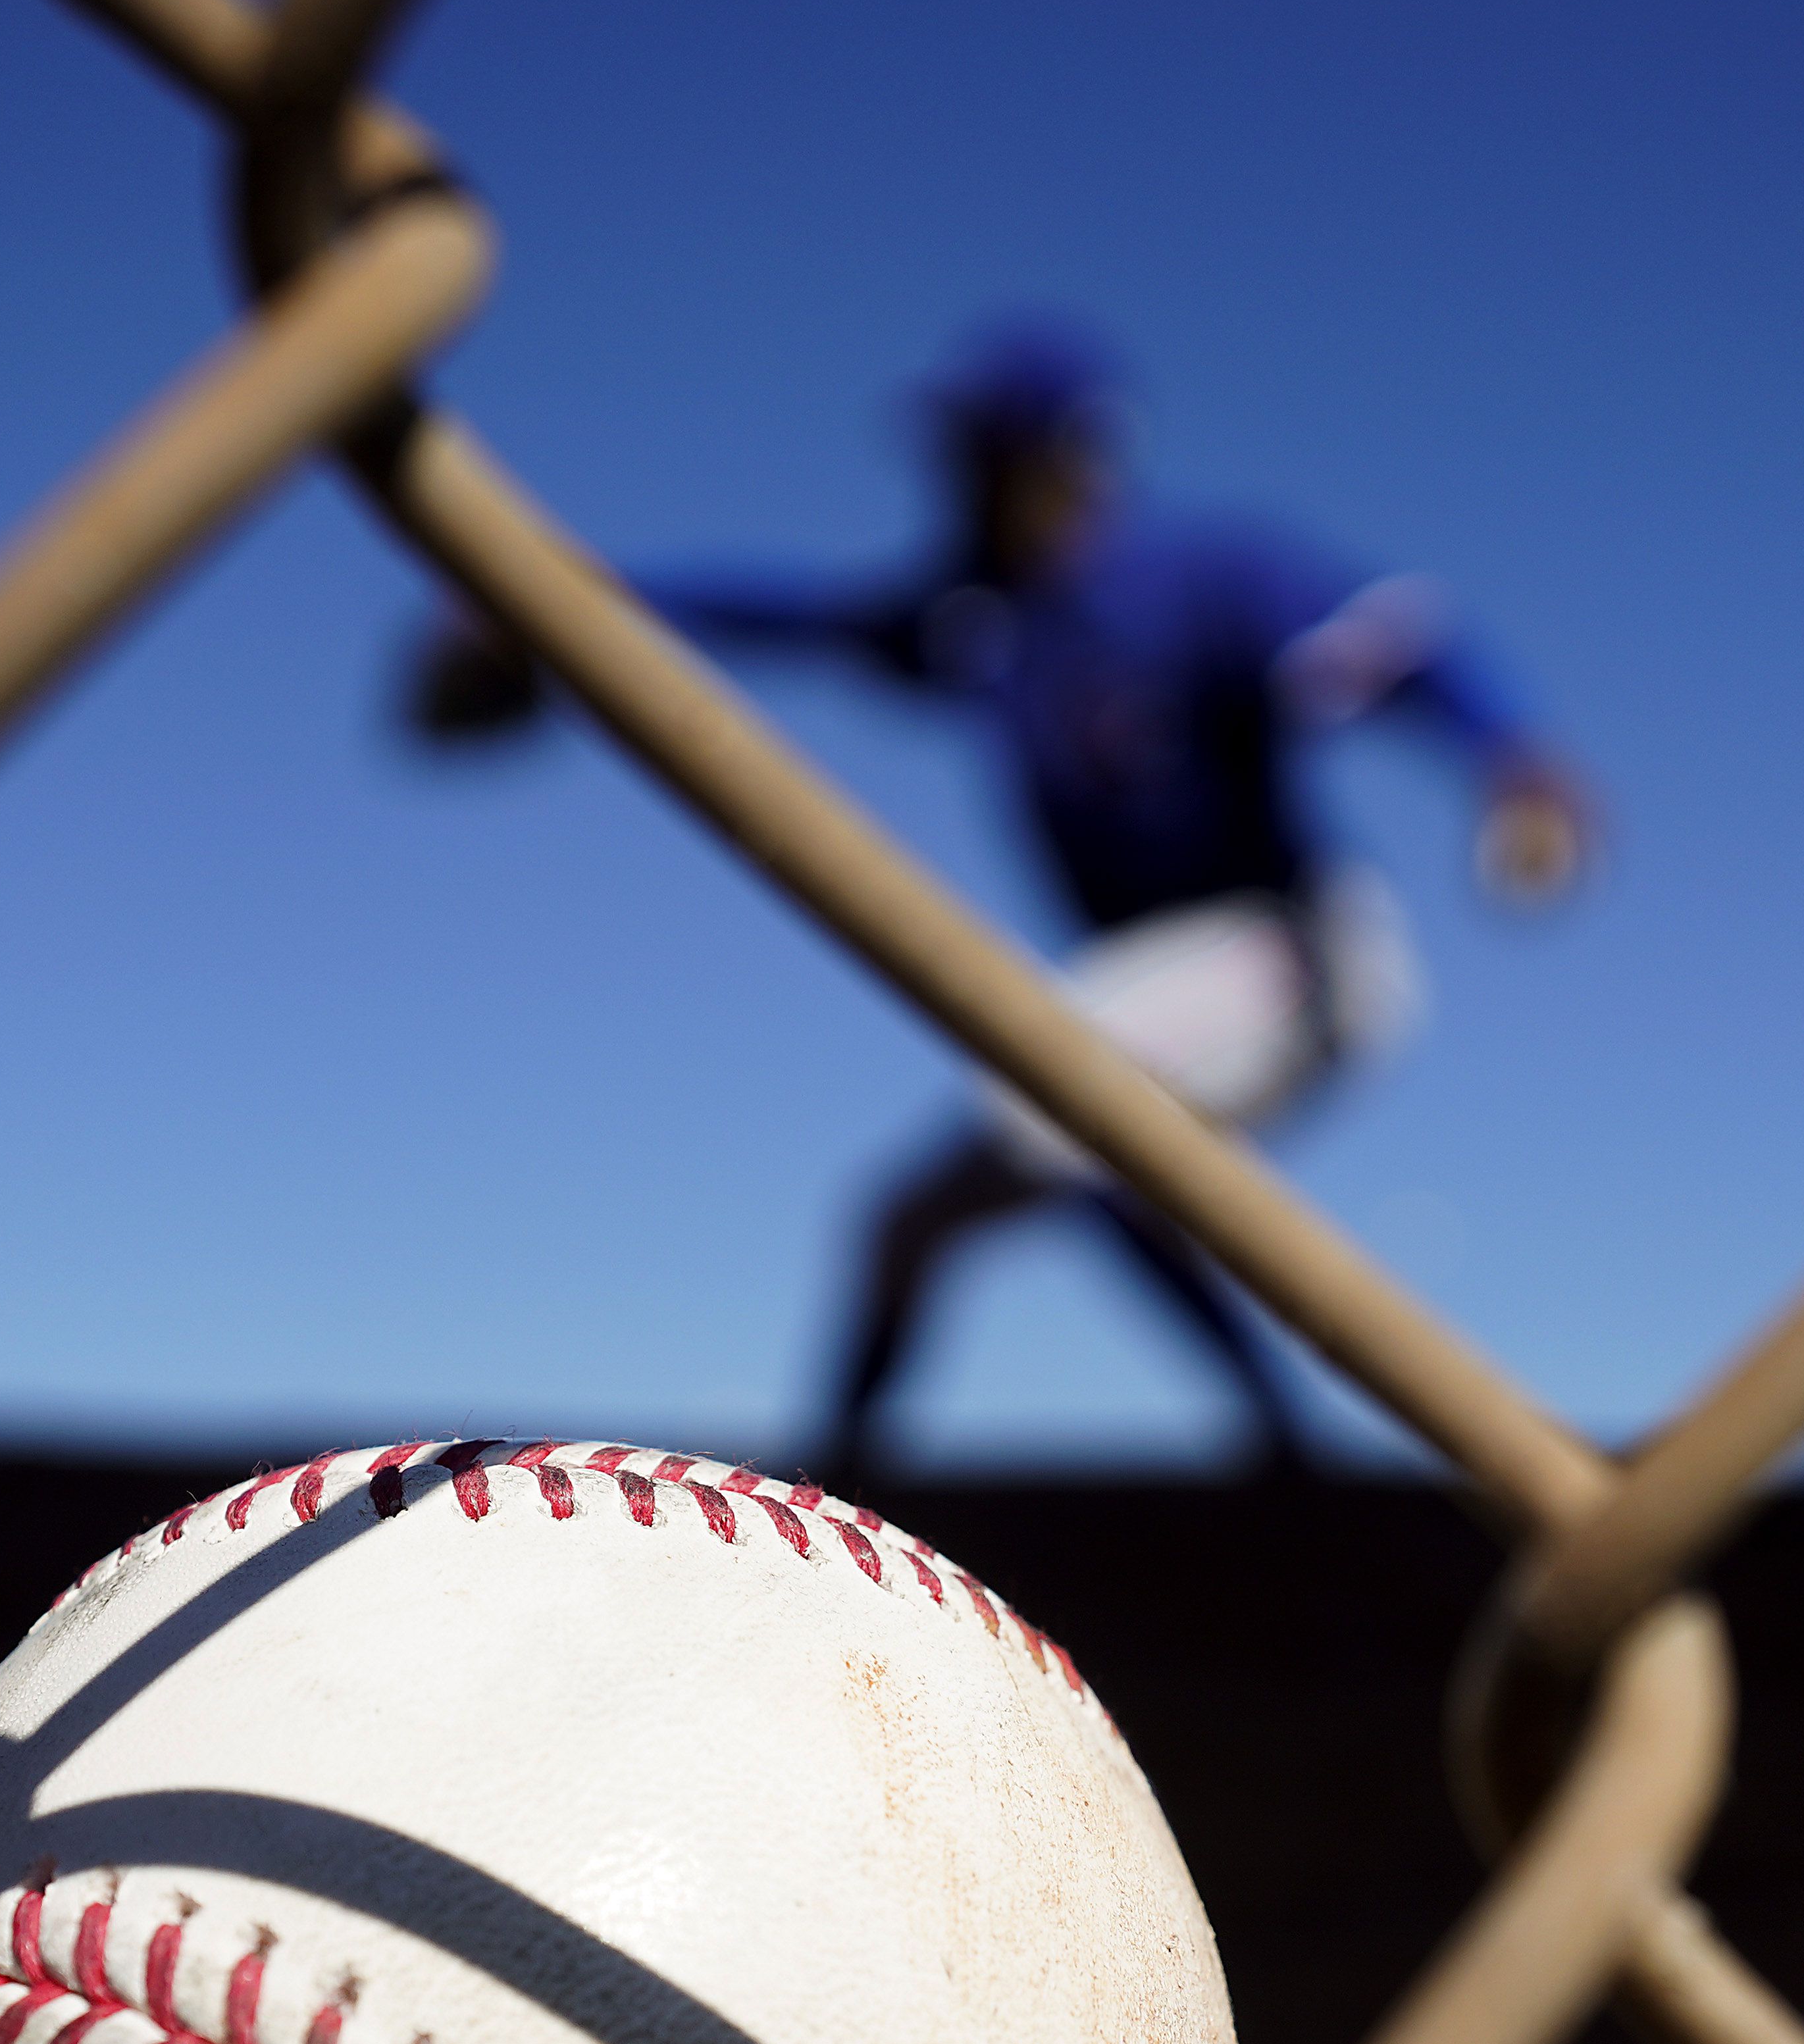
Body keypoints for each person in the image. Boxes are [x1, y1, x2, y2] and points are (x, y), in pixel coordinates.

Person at [405, 321, 1598, 1477]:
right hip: (1142, 990)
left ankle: (1292, 1442)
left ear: (1072, 452)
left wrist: (1518, 767)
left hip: (1296, 951)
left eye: (990, 444)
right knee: (912, 1219)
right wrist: (560, 605)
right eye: (958, 447)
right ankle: (859, 1484)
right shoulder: (978, 620)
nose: (958, 473)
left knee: (1065, 1097)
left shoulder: (1193, 575)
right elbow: (793, 614)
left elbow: (1405, 645)